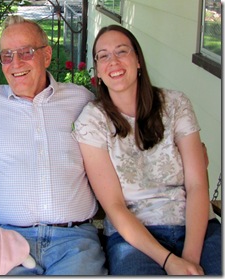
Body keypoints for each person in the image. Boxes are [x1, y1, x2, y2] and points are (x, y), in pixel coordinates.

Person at [0, 15, 107, 275]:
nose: (16, 63)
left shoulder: (81, 100)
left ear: (46, 56)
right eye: (7, 55)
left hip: (74, 241)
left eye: (26, 52)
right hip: (8, 242)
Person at [72, 24, 222, 275]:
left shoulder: (175, 104)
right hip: (134, 239)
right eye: (104, 56)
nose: (114, 61)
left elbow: (197, 185)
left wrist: (189, 259)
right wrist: (169, 262)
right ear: (97, 69)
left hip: (197, 229)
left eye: (122, 51)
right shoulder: (93, 120)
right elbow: (115, 206)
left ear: (138, 60)